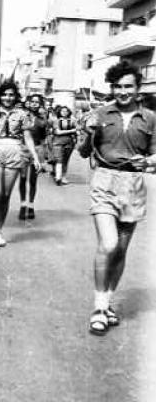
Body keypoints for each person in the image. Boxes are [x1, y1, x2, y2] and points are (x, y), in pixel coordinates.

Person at [78, 60, 156, 335]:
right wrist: (88, 134)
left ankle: (108, 302)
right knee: (108, 244)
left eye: (128, 87)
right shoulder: (99, 113)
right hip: (104, 180)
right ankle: (98, 307)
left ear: (137, 89)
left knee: (121, 250)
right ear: (112, 88)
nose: (123, 92)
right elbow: (84, 152)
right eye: (118, 87)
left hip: (133, 184)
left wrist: (147, 162)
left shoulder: (150, 118)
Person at [0, 81, 40, 249]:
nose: (8, 97)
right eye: (5, 94)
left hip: (15, 151)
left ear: (16, 97)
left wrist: (35, 157)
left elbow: (28, 137)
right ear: (0, 96)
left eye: (11, 95)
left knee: (6, 196)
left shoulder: (22, 114)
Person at [18, 94, 48, 220]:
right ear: (28, 103)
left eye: (37, 102)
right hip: (23, 149)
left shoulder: (43, 119)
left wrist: (44, 156)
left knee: (33, 180)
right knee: (23, 178)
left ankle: (31, 205)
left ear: (40, 104)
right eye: (32, 101)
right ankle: (23, 204)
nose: (35, 104)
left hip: (38, 148)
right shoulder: (22, 115)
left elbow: (44, 138)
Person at [52, 105, 77, 185]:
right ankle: (58, 177)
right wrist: (72, 130)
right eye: (62, 111)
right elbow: (57, 132)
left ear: (68, 112)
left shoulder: (72, 120)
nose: (64, 113)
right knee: (59, 159)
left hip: (69, 143)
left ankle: (63, 177)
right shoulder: (56, 121)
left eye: (66, 111)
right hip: (57, 142)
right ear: (59, 112)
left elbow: (78, 129)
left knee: (66, 160)